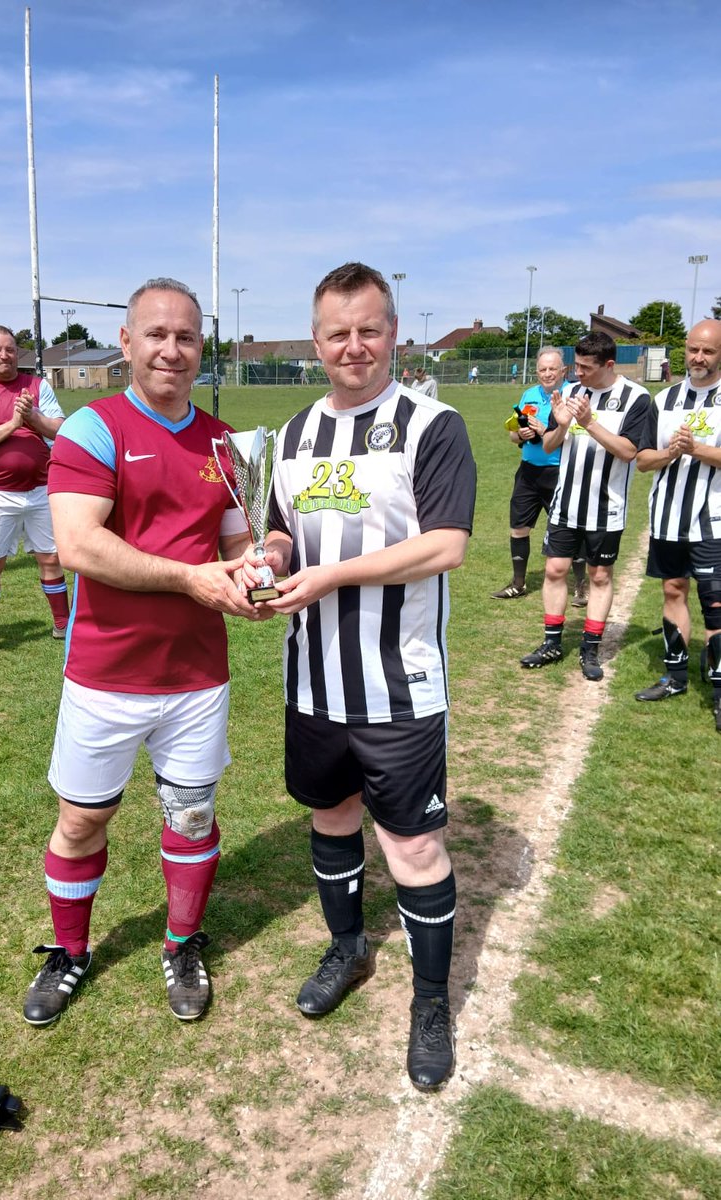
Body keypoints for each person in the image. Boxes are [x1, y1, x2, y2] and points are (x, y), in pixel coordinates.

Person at [246, 262, 476, 1091]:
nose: (354, 346)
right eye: (338, 333)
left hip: (397, 685)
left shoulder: (431, 425)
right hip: (313, 680)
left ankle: (430, 1002)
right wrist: (268, 560)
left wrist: (333, 576)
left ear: (394, 333)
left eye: (369, 330)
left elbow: (446, 545)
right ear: (316, 343)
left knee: (413, 846)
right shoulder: (293, 434)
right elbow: (280, 529)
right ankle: (346, 948)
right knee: (332, 815)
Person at [22, 278, 258, 1027]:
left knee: (191, 818)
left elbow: (239, 542)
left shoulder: (224, 442)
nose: (171, 350)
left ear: (201, 348)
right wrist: (190, 578)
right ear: (126, 343)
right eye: (156, 334)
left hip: (196, 675)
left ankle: (182, 944)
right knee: (81, 821)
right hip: (107, 674)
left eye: (186, 337)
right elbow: (78, 545)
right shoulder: (93, 428)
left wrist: (260, 567)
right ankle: (70, 950)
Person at [520, 332, 650, 681]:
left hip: (606, 507)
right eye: (575, 365)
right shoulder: (572, 392)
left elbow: (628, 452)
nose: (577, 373)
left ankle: (590, 648)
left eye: (585, 368)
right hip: (566, 503)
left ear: (609, 365)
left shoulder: (636, 397)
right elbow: (549, 445)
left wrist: (589, 422)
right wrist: (562, 425)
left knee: (600, 576)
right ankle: (551, 643)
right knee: (555, 570)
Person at [0, 326, 69, 659]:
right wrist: (13, 424)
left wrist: (33, 416)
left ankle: (63, 625)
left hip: (41, 489)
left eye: (9, 349)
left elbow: (60, 430)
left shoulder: (38, 385)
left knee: (50, 558)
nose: (4, 355)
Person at [634, 319, 721, 732]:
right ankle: (675, 675)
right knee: (673, 590)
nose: (698, 358)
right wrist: (670, 452)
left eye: (708, 351)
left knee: (715, 604)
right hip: (668, 518)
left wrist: (697, 448)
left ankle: (719, 690)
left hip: (714, 521)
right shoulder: (665, 398)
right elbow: (642, 459)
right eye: (693, 349)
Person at [491, 348, 587, 604]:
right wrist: (520, 435)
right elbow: (513, 434)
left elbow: (578, 435)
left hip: (561, 471)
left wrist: (545, 430)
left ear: (563, 370)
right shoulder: (529, 395)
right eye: (542, 369)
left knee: (571, 528)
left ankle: (581, 586)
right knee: (518, 528)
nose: (547, 374)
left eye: (552, 369)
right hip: (529, 471)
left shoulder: (573, 395)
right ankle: (518, 584)